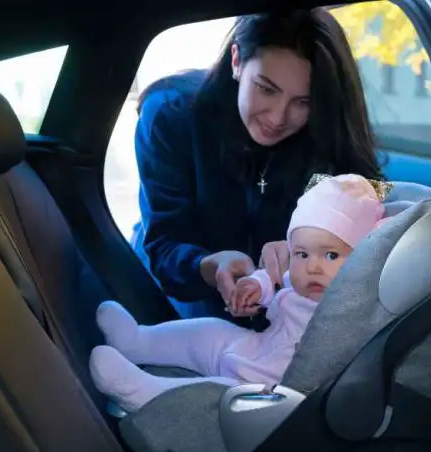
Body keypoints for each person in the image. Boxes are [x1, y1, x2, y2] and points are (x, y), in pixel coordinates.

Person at [130, 9, 382, 322]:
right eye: (266, 88)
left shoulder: (325, 134)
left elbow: (369, 204)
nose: (278, 118)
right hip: (180, 298)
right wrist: (208, 265)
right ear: (236, 61)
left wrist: (307, 243)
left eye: (302, 102)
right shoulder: (171, 116)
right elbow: (164, 245)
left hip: (282, 306)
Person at [91, 174, 389, 412]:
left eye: (331, 256)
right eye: (301, 254)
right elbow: (275, 280)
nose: (312, 266)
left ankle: (141, 391)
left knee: (218, 395)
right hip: (255, 348)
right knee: (210, 332)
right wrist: (254, 287)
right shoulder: (303, 279)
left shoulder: (352, 304)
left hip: (272, 386)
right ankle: (137, 341)